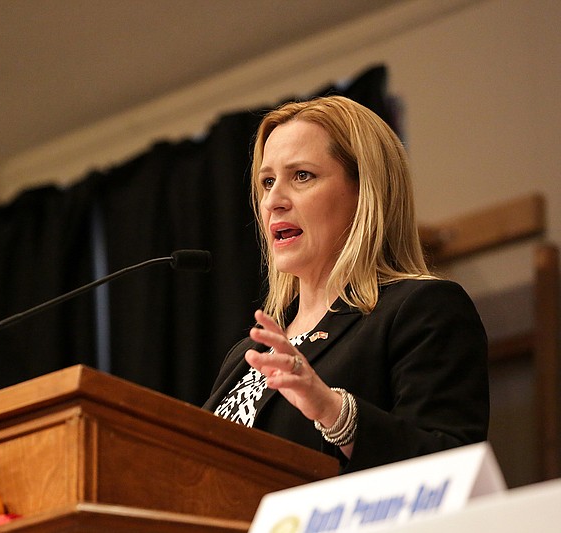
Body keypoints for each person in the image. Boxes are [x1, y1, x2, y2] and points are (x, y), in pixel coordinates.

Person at [204, 95, 489, 473]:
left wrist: (334, 413)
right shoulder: (244, 355)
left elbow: (451, 467)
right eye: (267, 181)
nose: (273, 200)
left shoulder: (421, 310)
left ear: (365, 191)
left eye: (301, 176)